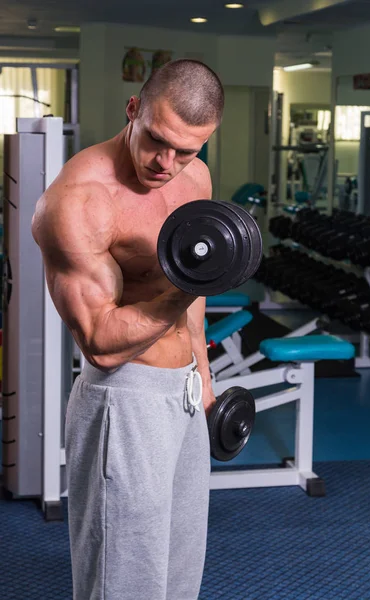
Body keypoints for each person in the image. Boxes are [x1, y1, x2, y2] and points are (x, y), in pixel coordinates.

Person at [32, 59, 225, 600]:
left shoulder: (198, 178)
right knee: (124, 579)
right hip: (125, 399)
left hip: (184, 391)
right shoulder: (79, 200)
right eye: (157, 141)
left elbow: (196, 297)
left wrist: (204, 380)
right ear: (133, 110)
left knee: (178, 571)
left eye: (185, 150)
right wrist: (188, 284)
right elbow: (99, 345)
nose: (166, 163)